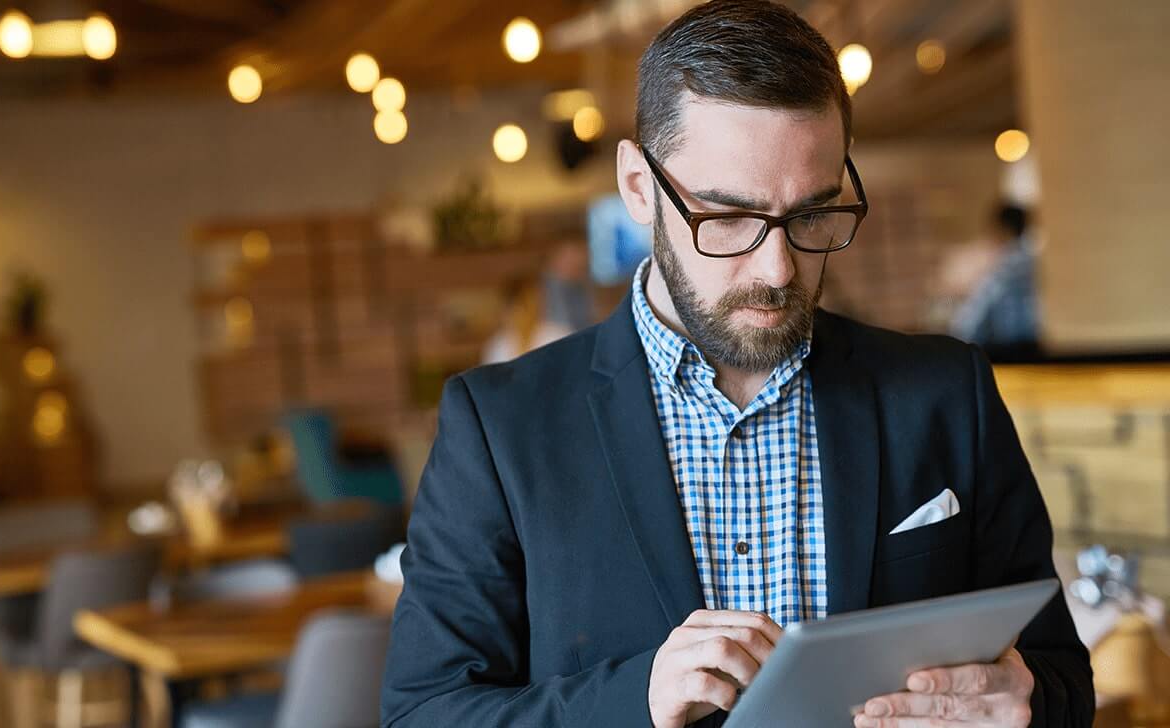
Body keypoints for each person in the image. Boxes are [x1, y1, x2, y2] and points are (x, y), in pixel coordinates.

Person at [383, 2, 1093, 727]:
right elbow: (423, 715)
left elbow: (1059, 675)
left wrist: (1028, 702)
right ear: (638, 186)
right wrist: (638, 699)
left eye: (810, 215)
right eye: (728, 218)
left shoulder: (946, 393)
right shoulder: (499, 427)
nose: (778, 269)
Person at [950, 204, 1042, 359]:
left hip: (1009, 352)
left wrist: (954, 343)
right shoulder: (1031, 262)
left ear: (1003, 229)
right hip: (1030, 345)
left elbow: (972, 317)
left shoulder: (1006, 268)